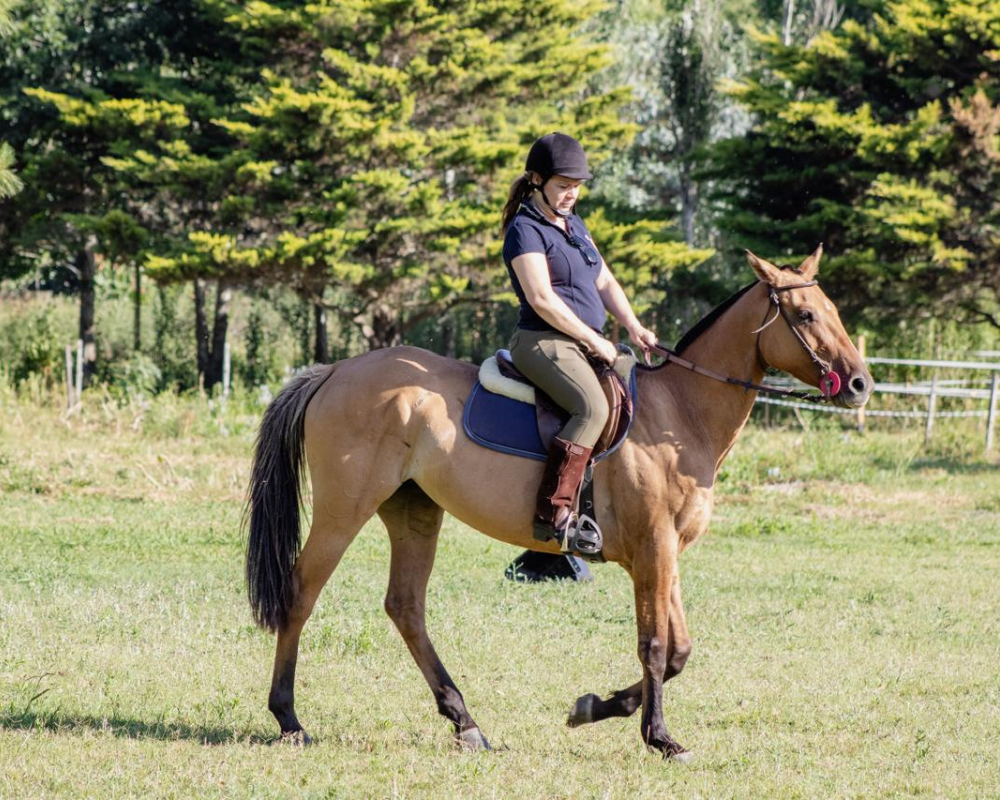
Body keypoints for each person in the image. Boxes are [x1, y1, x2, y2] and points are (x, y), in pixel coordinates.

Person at [501, 132, 657, 557]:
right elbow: (542, 299)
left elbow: (604, 280)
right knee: (591, 407)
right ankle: (554, 515)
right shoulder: (524, 230)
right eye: (563, 185)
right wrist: (594, 339)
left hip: (582, 343)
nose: (572, 194)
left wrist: (634, 326)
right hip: (543, 341)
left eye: (577, 186)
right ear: (537, 180)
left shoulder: (576, 226)